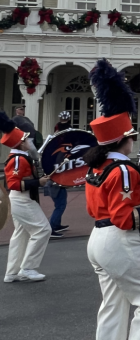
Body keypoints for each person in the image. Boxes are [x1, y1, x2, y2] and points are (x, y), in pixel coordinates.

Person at [84, 59, 140, 339]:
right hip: (118, 240)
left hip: (97, 240)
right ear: (125, 139)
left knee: (114, 304)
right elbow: (124, 219)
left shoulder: (97, 166)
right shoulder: (123, 168)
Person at [3, 111, 51, 283]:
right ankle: (28, 267)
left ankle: (12, 272)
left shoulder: (22, 157)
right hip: (21, 199)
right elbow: (13, 184)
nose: (30, 141)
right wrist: (39, 182)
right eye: (26, 139)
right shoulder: (18, 159)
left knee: (21, 235)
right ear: (20, 143)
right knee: (43, 229)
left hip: (20, 199)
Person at [45, 111, 73, 239]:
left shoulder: (56, 135)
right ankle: (51, 228)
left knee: (61, 203)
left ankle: (56, 224)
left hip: (58, 176)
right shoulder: (58, 149)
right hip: (55, 179)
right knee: (60, 204)